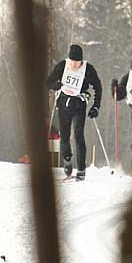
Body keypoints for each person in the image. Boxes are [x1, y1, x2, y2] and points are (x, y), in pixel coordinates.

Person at [47, 44, 102, 181]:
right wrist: (55, 86)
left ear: (81, 61)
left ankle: (81, 169)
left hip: (79, 104)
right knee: (64, 136)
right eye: (72, 61)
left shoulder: (88, 69)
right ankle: (67, 160)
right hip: (64, 103)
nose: (74, 65)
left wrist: (96, 106)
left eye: (76, 62)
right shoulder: (62, 65)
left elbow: (98, 87)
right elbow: (47, 82)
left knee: (78, 135)